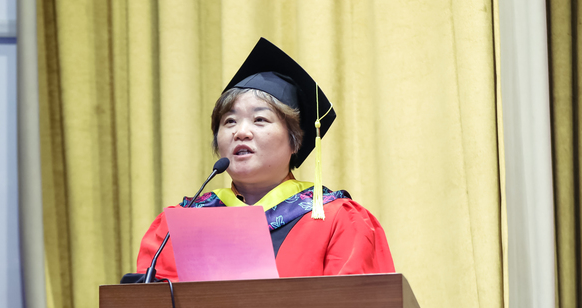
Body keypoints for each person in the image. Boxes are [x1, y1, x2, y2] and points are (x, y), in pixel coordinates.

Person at [127, 38, 394, 283]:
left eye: (260, 119)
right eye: (229, 121)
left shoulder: (338, 219)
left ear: (295, 141)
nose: (241, 132)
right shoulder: (178, 226)